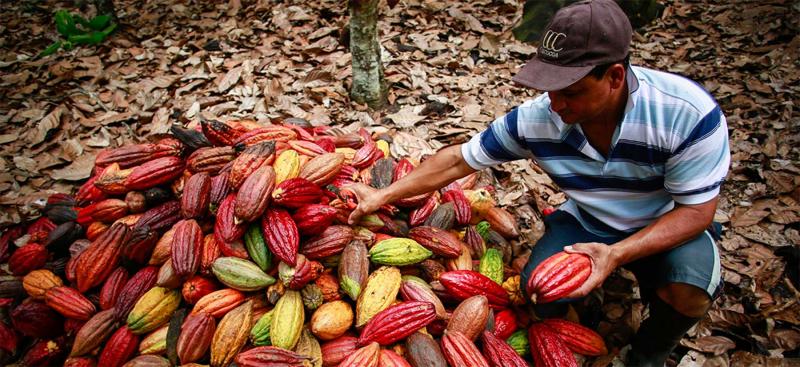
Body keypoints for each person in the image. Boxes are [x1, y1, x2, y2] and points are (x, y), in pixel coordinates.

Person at [345, 0, 730, 365]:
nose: (556, 104)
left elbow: (697, 211)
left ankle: (649, 351)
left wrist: (616, 255)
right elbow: (457, 161)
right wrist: (383, 195)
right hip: (588, 221)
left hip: (665, 222)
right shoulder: (540, 118)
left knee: (689, 292)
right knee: (538, 294)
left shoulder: (685, 114)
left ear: (615, 76)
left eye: (572, 91)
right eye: (550, 88)